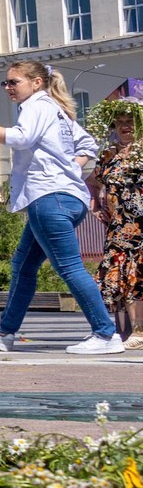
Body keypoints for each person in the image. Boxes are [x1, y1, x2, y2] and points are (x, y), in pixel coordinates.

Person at [0, 60, 127, 355]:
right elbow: (87, 144)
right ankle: (4, 331)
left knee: (69, 267)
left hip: (49, 197)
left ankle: (105, 333)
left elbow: (22, 139)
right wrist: (70, 168)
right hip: (64, 196)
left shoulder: (36, 105)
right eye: (5, 83)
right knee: (23, 265)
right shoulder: (57, 109)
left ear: (36, 83)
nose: (8, 87)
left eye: (14, 82)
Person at [91, 98, 143, 339]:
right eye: (120, 122)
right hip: (119, 228)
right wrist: (95, 205)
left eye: (130, 121)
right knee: (122, 278)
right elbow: (91, 182)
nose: (125, 126)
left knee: (137, 276)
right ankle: (130, 331)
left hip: (140, 226)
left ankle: (138, 331)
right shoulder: (108, 156)